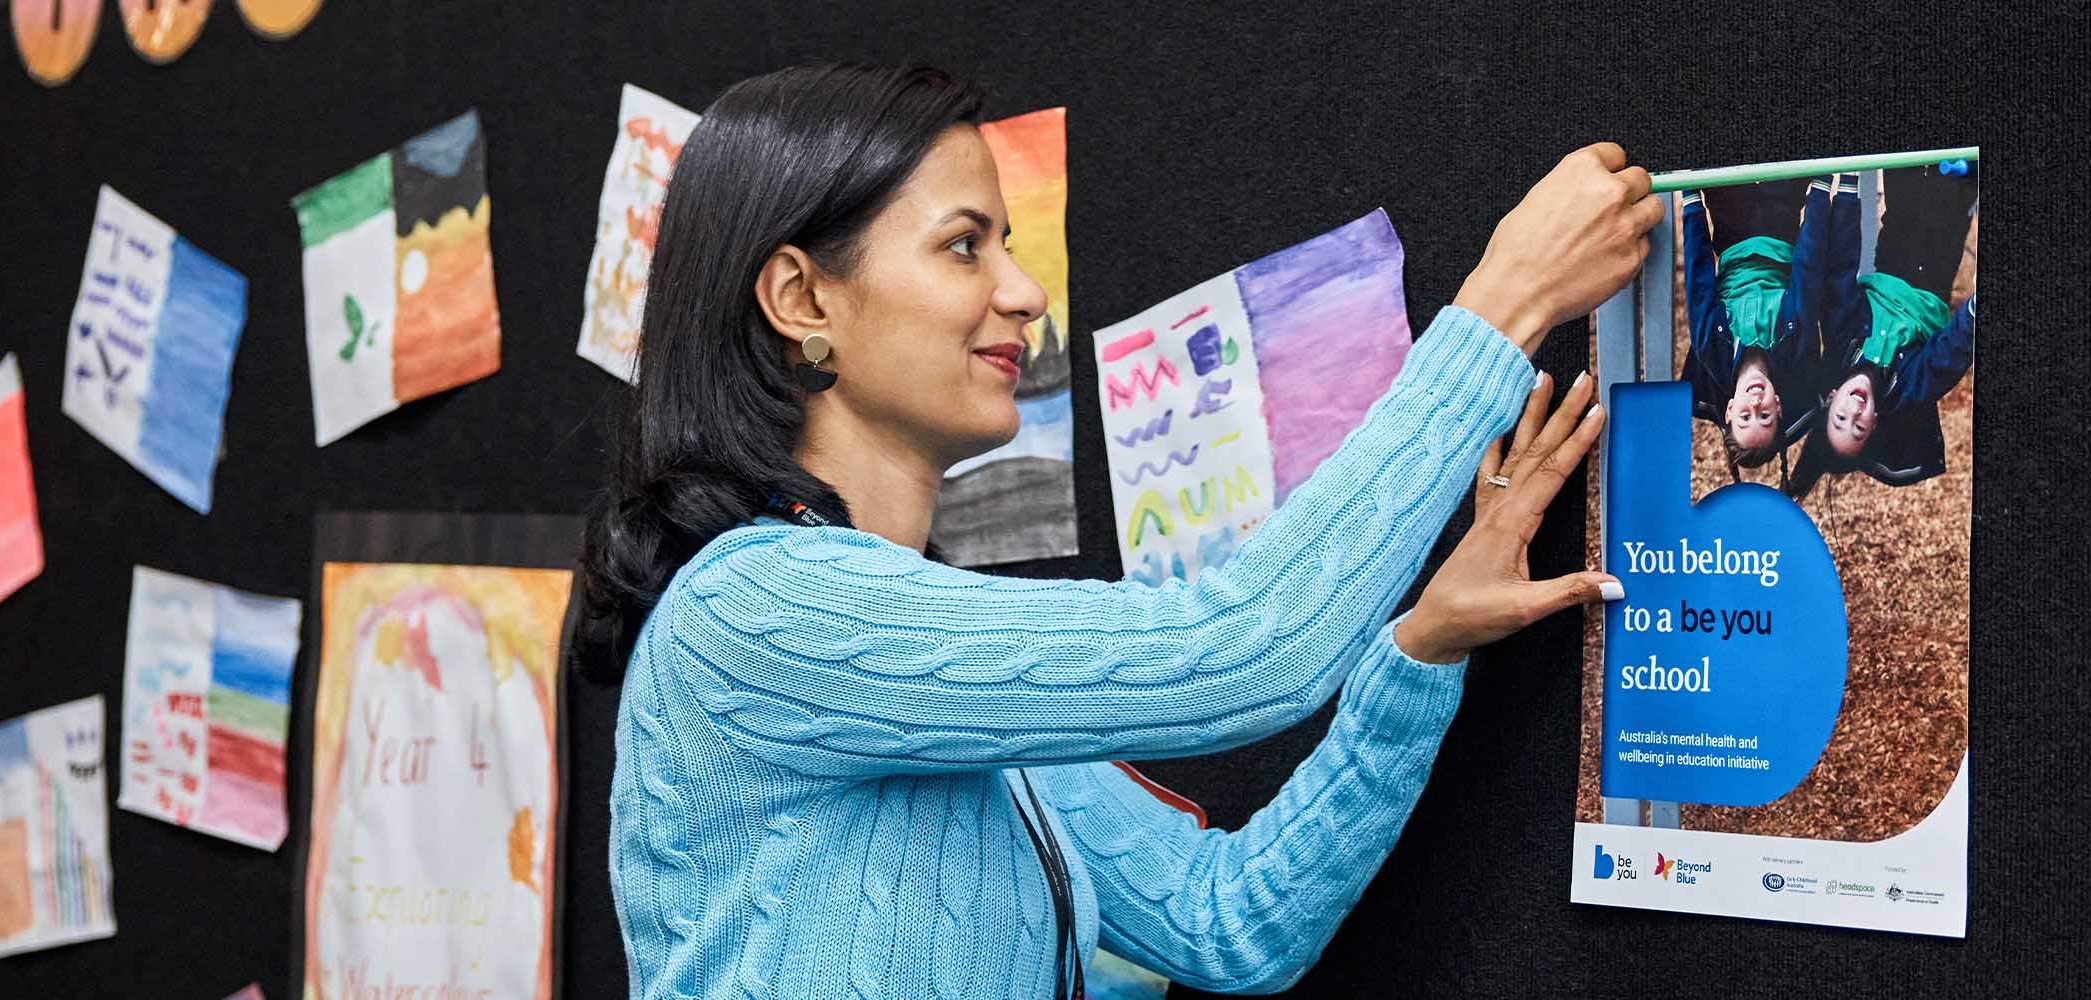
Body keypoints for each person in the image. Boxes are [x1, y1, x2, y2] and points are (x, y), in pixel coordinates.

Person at [576, 63, 1659, 999]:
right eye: (964, 248)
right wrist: (1505, 302)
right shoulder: (754, 612)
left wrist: (1421, 651)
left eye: (1009, 243)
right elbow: (1246, 646)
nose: (1024, 292)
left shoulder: (939, 675)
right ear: (800, 296)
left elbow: (1228, 921)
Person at [1785, 173, 1977, 500]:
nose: (1855, 412)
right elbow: (1947, 355)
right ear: (1873, 422)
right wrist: (1973, 310)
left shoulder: (1843, 342)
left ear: (1831, 397)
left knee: (1909, 183)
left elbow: (1841, 271)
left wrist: (1847, 191)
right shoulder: (1905, 388)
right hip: (1936, 263)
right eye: (1858, 427)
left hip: (1896, 247)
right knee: (1954, 183)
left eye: (1841, 417)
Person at [1678, 175, 1842, 481]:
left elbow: (1699, 282)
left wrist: (1691, 201)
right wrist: (1819, 196)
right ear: (1778, 407)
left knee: (1729, 163)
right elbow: (1807, 274)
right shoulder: (1794, 344)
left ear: (1729, 410)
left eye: (1744, 417)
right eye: (1764, 417)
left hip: (1731, 232)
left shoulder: (1713, 349)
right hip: (1779, 227)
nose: (1755, 404)